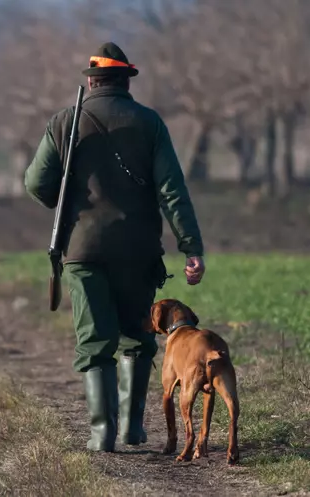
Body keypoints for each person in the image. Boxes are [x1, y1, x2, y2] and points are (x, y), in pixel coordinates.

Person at [24, 42, 205, 453]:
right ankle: (131, 428)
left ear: (91, 81)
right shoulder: (150, 123)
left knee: (94, 340)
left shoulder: (65, 122)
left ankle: (101, 433)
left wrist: (66, 200)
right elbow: (172, 191)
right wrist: (191, 245)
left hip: (82, 250)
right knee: (138, 338)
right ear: (126, 80)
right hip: (139, 251)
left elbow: (36, 184)